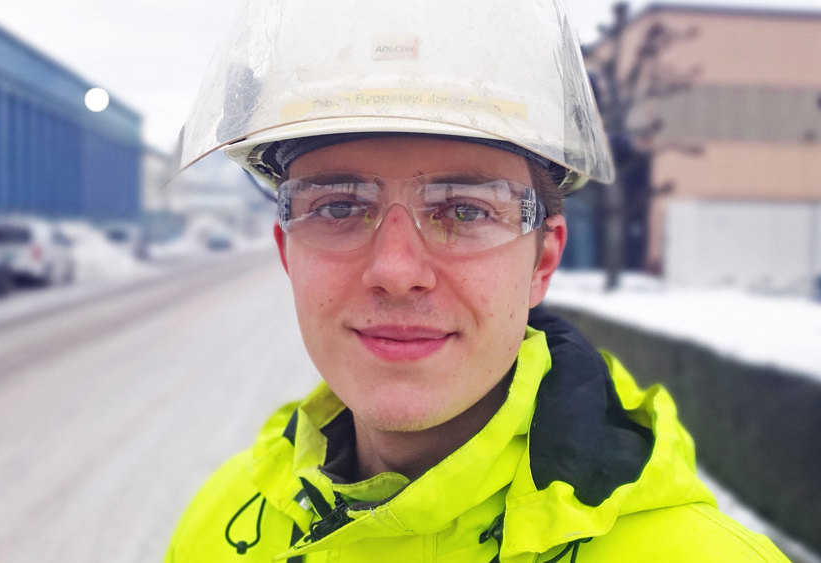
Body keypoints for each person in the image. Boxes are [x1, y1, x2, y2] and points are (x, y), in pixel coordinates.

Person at [165, 0, 789, 561]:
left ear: (543, 260)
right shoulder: (217, 527)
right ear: (286, 250)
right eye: (338, 207)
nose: (396, 272)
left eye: (465, 209)